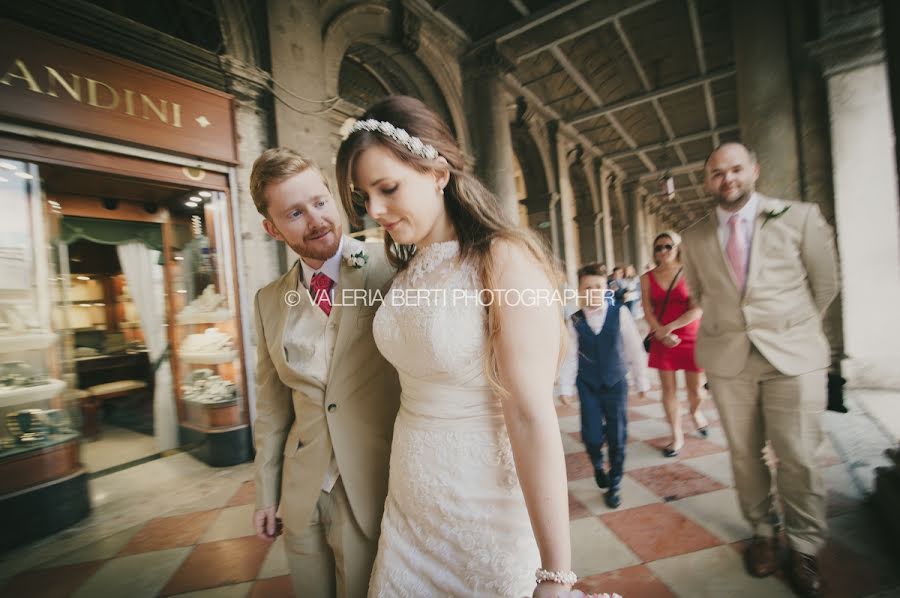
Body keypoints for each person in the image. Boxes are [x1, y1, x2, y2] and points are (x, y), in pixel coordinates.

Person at [336, 96, 575, 597]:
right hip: (408, 511)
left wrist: (555, 573)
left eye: (388, 188)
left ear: (438, 173)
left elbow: (532, 417)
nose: (375, 210)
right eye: (365, 197)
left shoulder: (504, 261)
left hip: (483, 514)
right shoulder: (406, 269)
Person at [681, 142, 838, 597]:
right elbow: (699, 290)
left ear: (753, 170)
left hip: (793, 356)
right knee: (745, 455)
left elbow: (825, 283)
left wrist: (792, 326)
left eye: (735, 170)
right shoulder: (694, 236)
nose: (726, 179)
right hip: (730, 360)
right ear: (707, 180)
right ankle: (763, 534)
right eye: (716, 173)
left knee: (800, 455)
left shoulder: (800, 217)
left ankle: (805, 546)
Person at [248, 148, 400, 598]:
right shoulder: (269, 300)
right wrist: (266, 493)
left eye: (319, 201)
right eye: (295, 212)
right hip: (301, 495)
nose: (316, 220)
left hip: (370, 486)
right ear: (271, 229)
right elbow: (272, 407)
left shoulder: (389, 268)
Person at [557, 263, 650, 509]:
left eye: (597, 287)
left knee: (617, 434)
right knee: (591, 434)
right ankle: (598, 464)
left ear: (605, 288)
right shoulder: (574, 319)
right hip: (587, 384)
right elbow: (570, 356)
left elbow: (634, 349)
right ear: (579, 290)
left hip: (616, 382)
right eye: (587, 287)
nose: (592, 292)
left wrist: (641, 380)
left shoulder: (619, 313)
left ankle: (615, 481)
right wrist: (565, 387)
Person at [640, 231, 707, 457]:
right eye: (658, 248)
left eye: (667, 246)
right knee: (668, 390)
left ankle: (696, 412)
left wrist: (669, 328)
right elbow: (647, 310)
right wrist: (660, 332)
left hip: (690, 336)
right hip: (661, 338)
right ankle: (676, 435)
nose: (663, 251)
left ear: (677, 247)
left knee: (696, 389)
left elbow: (697, 308)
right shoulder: (647, 277)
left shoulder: (691, 273)